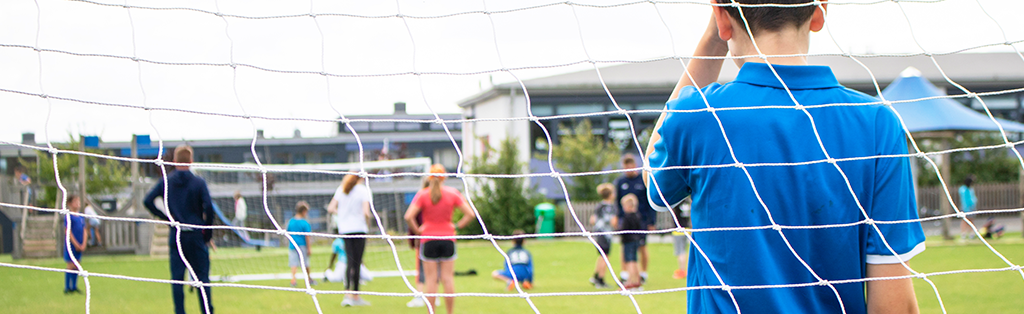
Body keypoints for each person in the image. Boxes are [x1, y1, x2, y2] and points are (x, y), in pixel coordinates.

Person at [643, 1, 925, 312]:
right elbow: (895, 305)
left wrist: (712, 38)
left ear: (722, 19)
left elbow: (651, 176)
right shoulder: (877, 123)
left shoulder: (699, 115)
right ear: (819, 13)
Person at [144, 145, 216, 314]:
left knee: (177, 280)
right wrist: (207, 234)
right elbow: (210, 209)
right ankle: (207, 311)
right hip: (196, 235)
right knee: (202, 279)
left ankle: (180, 311)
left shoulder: (167, 181)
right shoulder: (199, 182)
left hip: (176, 236)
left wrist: (168, 219)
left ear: (174, 161)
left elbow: (147, 200)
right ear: (191, 161)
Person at [404, 164, 476, 314]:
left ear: (429, 177)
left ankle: (432, 312)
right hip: (447, 239)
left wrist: (418, 230)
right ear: (445, 177)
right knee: (447, 279)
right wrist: (456, 225)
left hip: (429, 239)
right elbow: (470, 214)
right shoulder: (453, 193)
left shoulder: (423, 195)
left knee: (431, 280)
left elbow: (408, 216)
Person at [327, 173, 372, 307]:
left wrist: (341, 215)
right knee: (357, 262)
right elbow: (366, 212)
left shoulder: (342, 189)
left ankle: (347, 294)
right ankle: (356, 295)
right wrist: (367, 223)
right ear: (361, 178)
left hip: (345, 229)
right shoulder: (363, 190)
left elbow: (331, 208)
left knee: (349, 261)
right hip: (359, 229)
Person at [614, 154, 654, 282]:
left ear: (634, 165)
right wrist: (617, 217)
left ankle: (643, 273)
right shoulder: (620, 182)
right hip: (625, 221)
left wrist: (651, 221)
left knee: (642, 246)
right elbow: (617, 202)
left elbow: (650, 202)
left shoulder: (642, 180)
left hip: (640, 220)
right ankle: (625, 273)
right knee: (625, 246)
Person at [589, 183, 618, 289]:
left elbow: (592, 220)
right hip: (606, 234)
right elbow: (613, 221)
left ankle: (595, 276)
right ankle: (600, 279)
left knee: (601, 256)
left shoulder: (599, 206)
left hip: (598, 233)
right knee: (606, 257)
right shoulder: (610, 207)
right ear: (610, 195)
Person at [618, 194, 644, 291]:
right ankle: (637, 281)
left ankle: (630, 282)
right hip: (636, 240)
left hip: (628, 241)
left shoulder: (627, 217)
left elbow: (623, 230)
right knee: (635, 260)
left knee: (630, 262)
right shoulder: (637, 215)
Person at [63, 194, 88, 294]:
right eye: (75, 202)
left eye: (78, 202)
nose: (77, 204)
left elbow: (85, 230)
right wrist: (76, 244)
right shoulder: (68, 216)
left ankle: (74, 286)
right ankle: (67, 287)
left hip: (80, 243)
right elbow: (68, 231)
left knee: (77, 265)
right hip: (72, 245)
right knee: (70, 265)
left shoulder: (81, 216)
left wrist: (84, 243)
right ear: (69, 203)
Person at [286, 201, 314, 287]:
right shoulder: (305, 222)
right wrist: (309, 248)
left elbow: (288, 232)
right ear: (303, 211)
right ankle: (308, 279)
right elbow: (307, 236)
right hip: (302, 245)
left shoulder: (291, 221)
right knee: (305, 263)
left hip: (292, 245)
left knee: (293, 263)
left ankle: (293, 279)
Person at [671, 198, 691, 280]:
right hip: (686, 228)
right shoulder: (688, 202)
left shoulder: (677, 202)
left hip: (678, 230)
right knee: (683, 250)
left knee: (680, 251)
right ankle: (683, 270)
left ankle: (682, 270)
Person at [958, 175, 978, 240]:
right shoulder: (963, 189)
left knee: (971, 220)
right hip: (966, 207)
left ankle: (971, 233)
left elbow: (973, 197)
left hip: (971, 207)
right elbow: (965, 199)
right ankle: (963, 233)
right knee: (965, 220)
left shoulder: (970, 189)